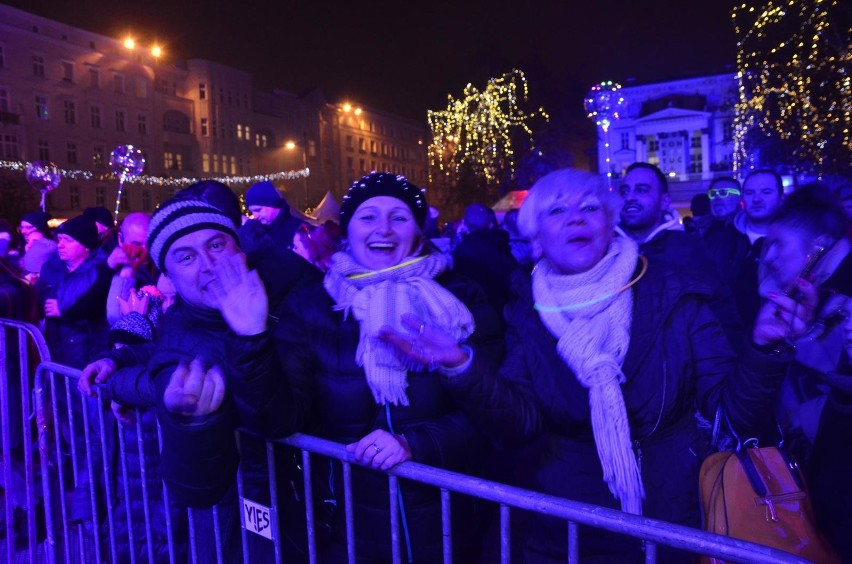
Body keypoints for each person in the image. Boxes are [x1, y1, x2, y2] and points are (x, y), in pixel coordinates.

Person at [378, 168, 817, 562]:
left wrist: (764, 348)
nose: (575, 217)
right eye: (557, 211)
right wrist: (461, 365)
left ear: (610, 222)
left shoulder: (675, 291)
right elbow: (520, 424)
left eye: (590, 207)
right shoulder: (525, 310)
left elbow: (730, 415)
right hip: (567, 526)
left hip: (674, 522)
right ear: (536, 237)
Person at [272, 172, 504, 561]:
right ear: (347, 229)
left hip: (451, 524)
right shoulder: (311, 305)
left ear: (417, 231)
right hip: (350, 523)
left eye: (399, 217)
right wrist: (246, 341)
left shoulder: (462, 295)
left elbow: (496, 405)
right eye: (368, 217)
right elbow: (286, 415)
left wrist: (416, 444)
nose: (384, 228)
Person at [760, 185, 852, 561]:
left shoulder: (841, 298)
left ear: (820, 244)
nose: (769, 257)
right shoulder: (822, 294)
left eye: (779, 244)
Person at [453, 202, 518, 322]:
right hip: (504, 314)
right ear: (490, 223)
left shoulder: (460, 250)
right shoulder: (500, 246)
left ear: (466, 224)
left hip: (477, 318)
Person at [104, 212, 159, 326]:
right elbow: (115, 316)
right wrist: (127, 272)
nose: (145, 250)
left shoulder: (160, 261)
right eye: (136, 244)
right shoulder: (106, 264)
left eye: (149, 244)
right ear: (120, 239)